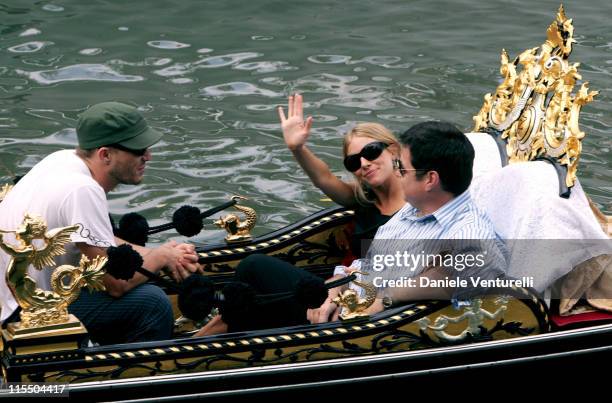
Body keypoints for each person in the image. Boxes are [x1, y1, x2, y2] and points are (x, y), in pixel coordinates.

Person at [0, 101, 201, 345]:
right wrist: (161, 258)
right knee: (153, 303)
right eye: (138, 150)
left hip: (11, 297)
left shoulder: (60, 160)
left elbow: (94, 237)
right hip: (24, 314)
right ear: (105, 154)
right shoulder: (83, 189)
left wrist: (165, 253)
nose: (148, 156)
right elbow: (115, 284)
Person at [279, 94, 406, 259]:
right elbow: (324, 179)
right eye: (353, 162)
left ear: (394, 151)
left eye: (371, 152)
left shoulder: (425, 197)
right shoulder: (362, 198)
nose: (364, 164)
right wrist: (297, 148)